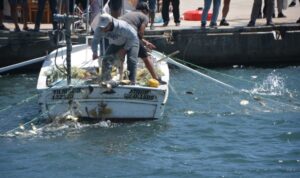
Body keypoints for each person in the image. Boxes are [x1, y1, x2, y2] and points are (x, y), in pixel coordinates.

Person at [120, 2, 164, 83]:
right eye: (147, 12)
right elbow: (140, 33)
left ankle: (120, 78)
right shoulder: (144, 17)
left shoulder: (130, 14)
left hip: (119, 34)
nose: (147, 14)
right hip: (131, 36)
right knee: (145, 57)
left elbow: (133, 32)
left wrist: (145, 42)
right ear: (144, 11)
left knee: (121, 57)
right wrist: (143, 46)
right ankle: (155, 78)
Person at [91, 13, 139, 84]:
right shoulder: (99, 29)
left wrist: (124, 49)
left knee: (131, 60)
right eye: (102, 27)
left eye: (105, 27)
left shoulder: (122, 27)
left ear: (110, 23)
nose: (103, 29)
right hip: (116, 43)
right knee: (106, 60)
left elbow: (133, 37)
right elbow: (95, 41)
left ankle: (132, 82)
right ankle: (106, 80)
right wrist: (94, 52)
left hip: (131, 41)